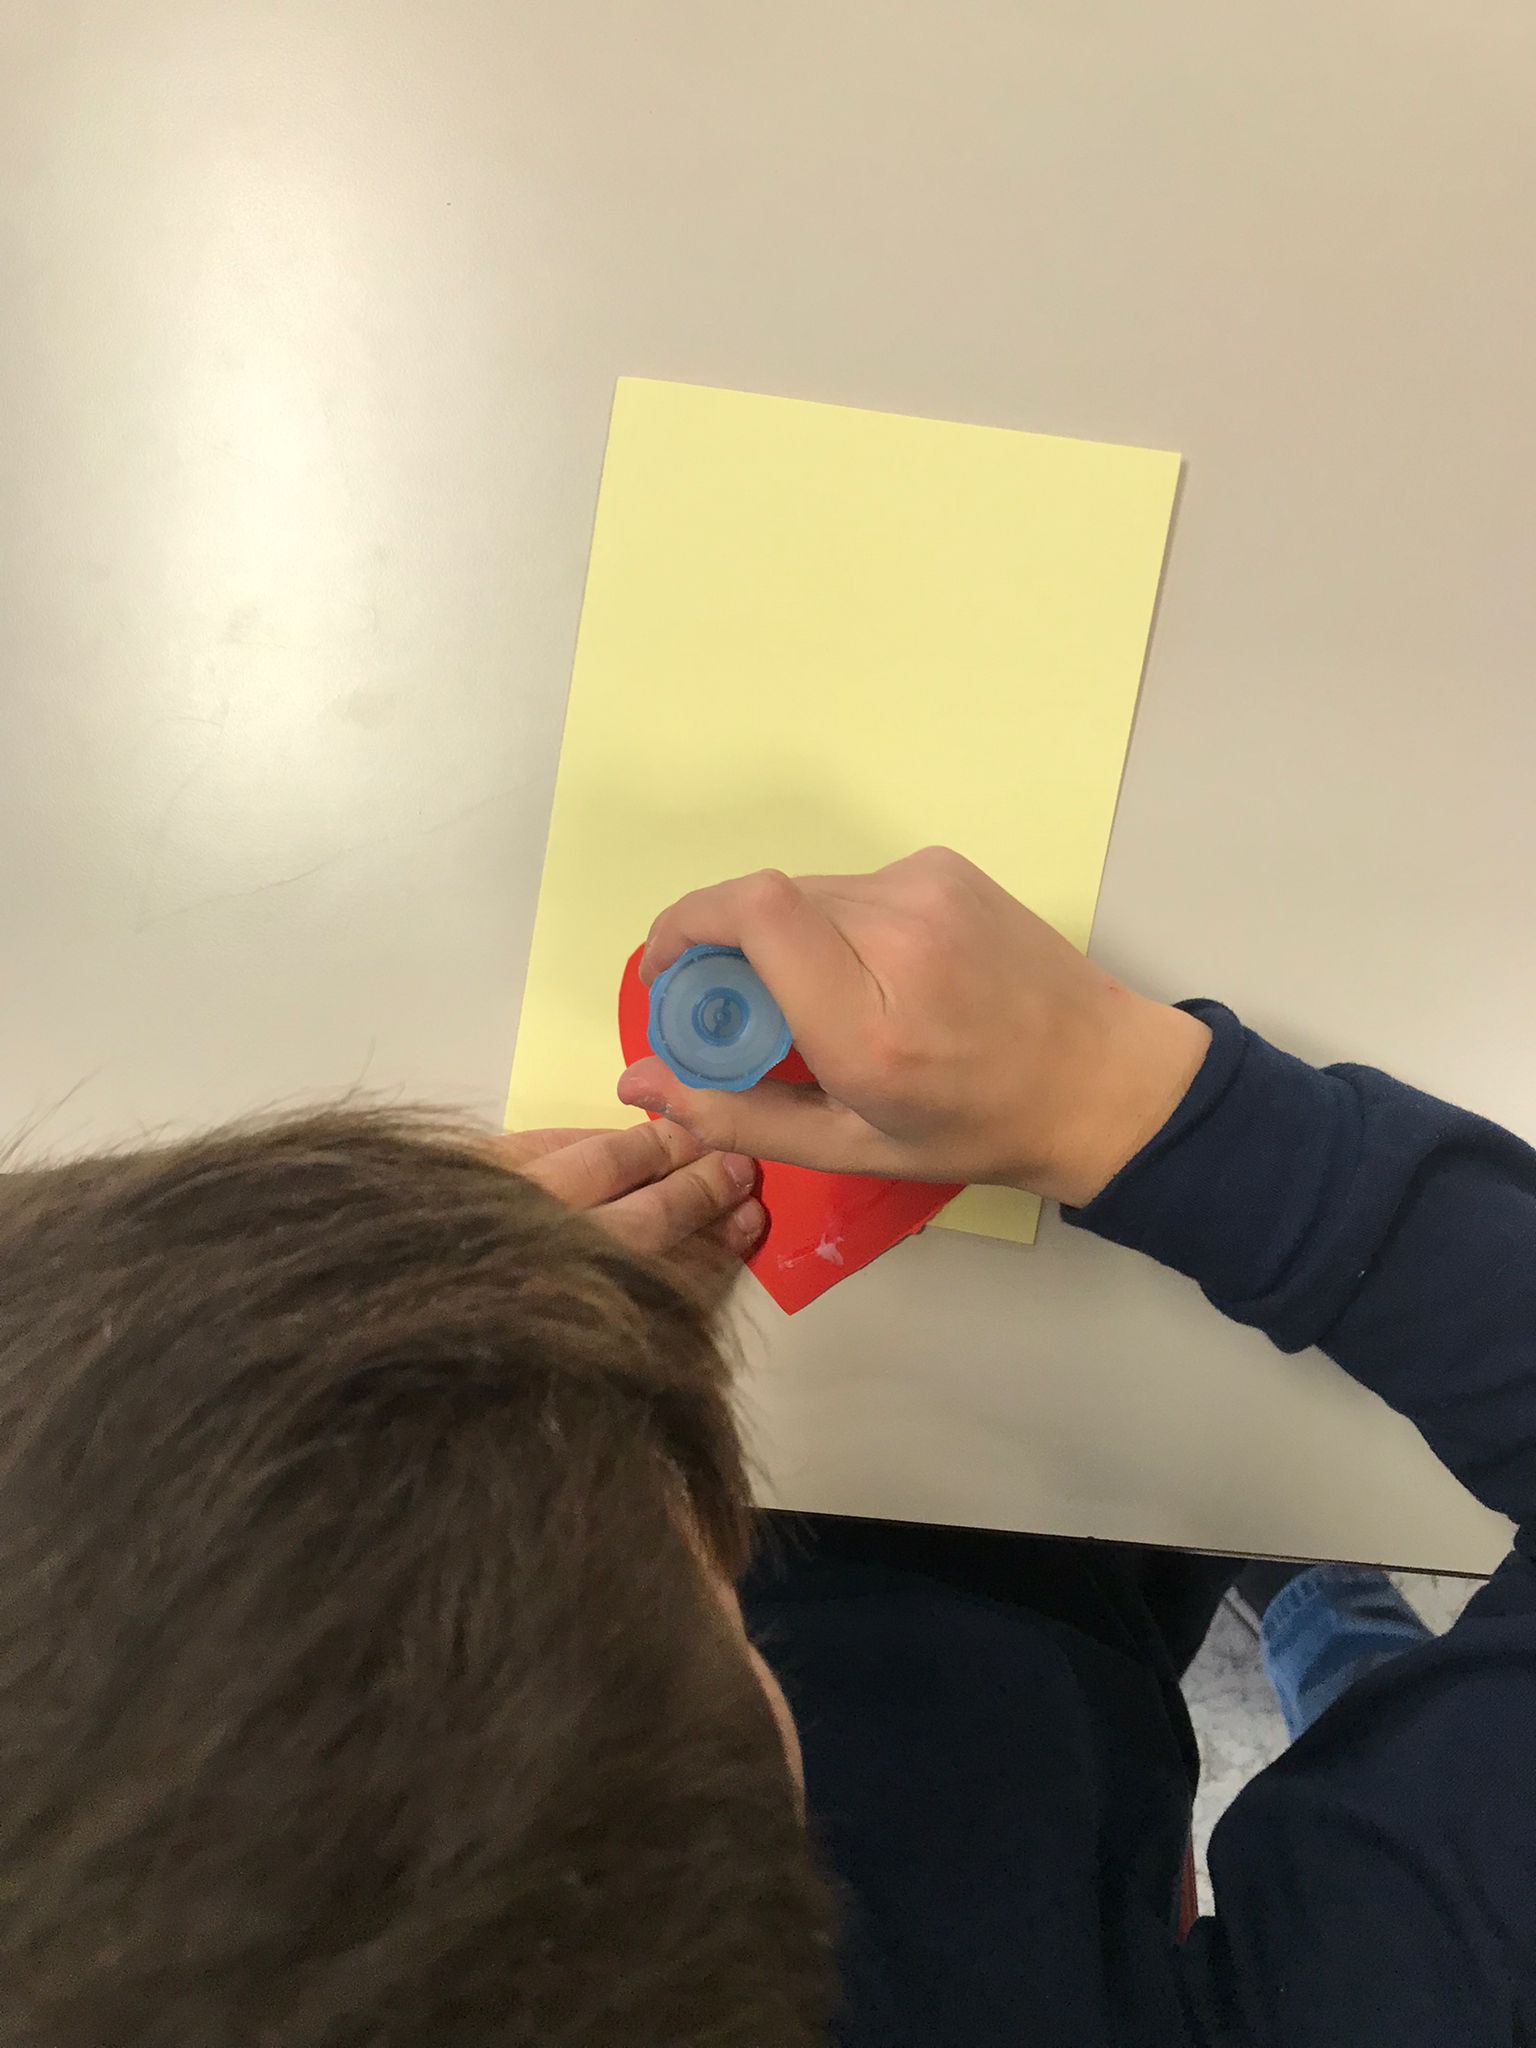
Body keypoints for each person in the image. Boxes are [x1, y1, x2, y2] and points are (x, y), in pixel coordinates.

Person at [0, 848, 1530, 2043]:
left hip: (1039, 1585)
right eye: (676, 1532)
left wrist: (420, 1329)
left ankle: (1341, 1638)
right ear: (764, 1745)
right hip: (1085, 1569)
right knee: (1323, 1573)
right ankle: (1351, 1647)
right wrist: (1129, 1096)